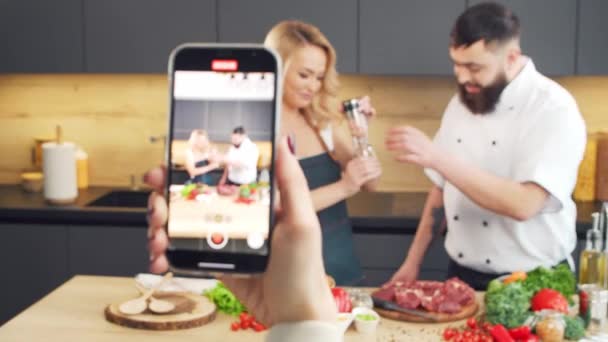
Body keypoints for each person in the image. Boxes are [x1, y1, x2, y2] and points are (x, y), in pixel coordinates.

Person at [385, 2, 586, 290]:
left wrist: (436, 158)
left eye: (474, 67)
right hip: (461, 277)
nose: (462, 76)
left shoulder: (553, 108)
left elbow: (524, 204)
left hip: (534, 282)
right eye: (456, 64)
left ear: (511, 57)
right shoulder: (463, 101)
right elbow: (442, 188)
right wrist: (412, 261)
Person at [146, 138, 341, 341]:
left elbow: (232, 164)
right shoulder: (199, 152)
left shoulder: (246, 149)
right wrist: (301, 320)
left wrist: (298, 319)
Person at [264, 20, 382, 285]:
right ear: (278, 69)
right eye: (304, 75)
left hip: (341, 264)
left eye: (319, 77)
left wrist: (360, 133)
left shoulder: (319, 121)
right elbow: (275, 208)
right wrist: (344, 187)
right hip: (292, 273)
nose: (313, 86)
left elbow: (371, 183)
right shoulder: (259, 131)